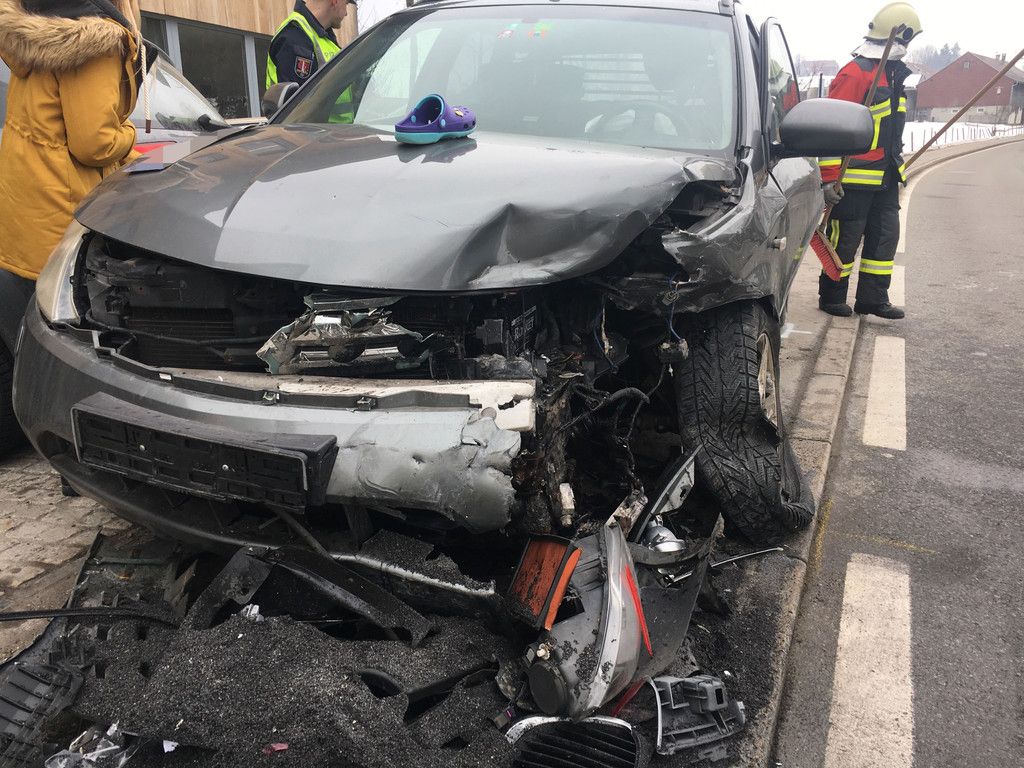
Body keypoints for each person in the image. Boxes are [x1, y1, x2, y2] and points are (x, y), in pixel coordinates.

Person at [0, 0, 144, 285]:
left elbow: (53, 129)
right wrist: (129, 134)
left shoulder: (32, 32)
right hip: (65, 221)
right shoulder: (98, 42)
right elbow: (95, 145)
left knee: (26, 303)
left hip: (27, 217)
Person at [817, 2, 921, 320]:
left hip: (886, 177)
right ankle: (832, 296)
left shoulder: (893, 76)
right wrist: (829, 178)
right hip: (853, 178)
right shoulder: (855, 74)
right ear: (900, 36)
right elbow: (830, 130)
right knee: (846, 239)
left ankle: (872, 299)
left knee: (885, 237)